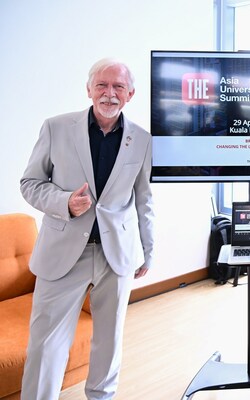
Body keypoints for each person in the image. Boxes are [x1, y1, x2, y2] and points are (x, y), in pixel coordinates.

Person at [20, 58, 155, 400]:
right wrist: (64, 201)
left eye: (118, 87)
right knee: (46, 343)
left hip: (117, 255)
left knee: (109, 340)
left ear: (130, 94)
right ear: (89, 89)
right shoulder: (56, 127)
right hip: (63, 252)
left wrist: (148, 250)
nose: (109, 94)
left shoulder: (141, 139)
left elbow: (144, 199)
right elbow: (30, 183)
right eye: (102, 85)